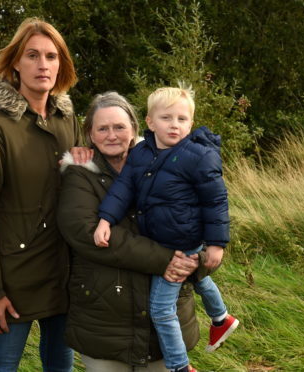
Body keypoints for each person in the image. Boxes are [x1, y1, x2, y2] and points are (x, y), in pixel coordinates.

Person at [57, 92, 210, 372]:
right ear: (90, 134)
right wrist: (167, 259)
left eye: (120, 127)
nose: (112, 135)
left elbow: (204, 219)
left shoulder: (174, 165)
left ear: (136, 129)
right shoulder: (80, 175)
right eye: (102, 128)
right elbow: (85, 231)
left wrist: (199, 261)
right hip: (104, 322)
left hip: (165, 322)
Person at [0, 17, 82, 372]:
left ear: (61, 64)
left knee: (61, 365)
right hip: (12, 281)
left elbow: (85, 190)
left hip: (63, 274)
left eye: (51, 56)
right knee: (2, 365)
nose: (42, 65)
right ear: (16, 61)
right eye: (32, 55)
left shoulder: (67, 120)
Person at [93, 87, 239, 372]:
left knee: (160, 309)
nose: (175, 125)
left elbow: (216, 200)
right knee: (197, 279)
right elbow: (123, 189)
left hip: (181, 241)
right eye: (167, 118)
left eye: (182, 119)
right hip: (162, 239)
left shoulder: (198, 156)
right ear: (150, 122)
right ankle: (222, 318)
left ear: (191, 122)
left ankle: (178, 366)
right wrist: (105, 219)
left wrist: (216, 243)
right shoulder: (141, 153)